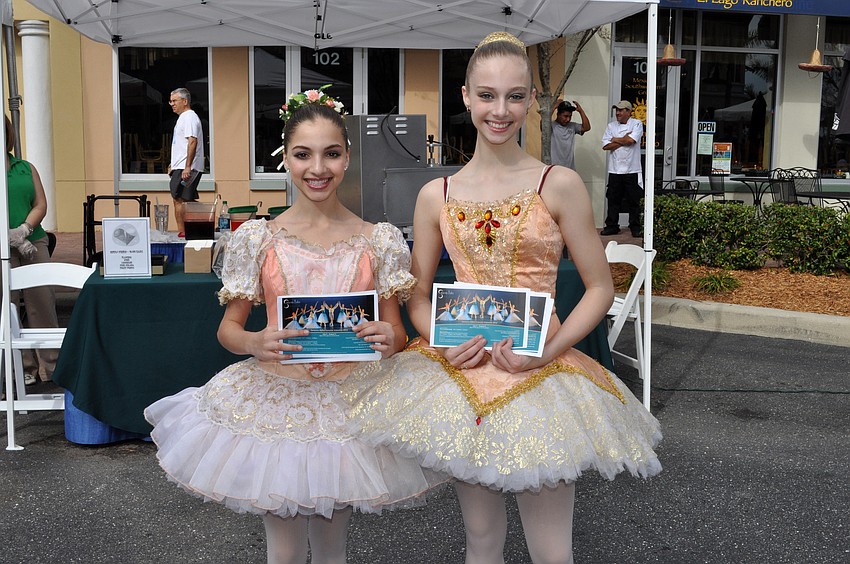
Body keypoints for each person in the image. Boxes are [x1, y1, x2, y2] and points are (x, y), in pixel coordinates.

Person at [342, 32, 661, 563]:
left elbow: (601, 287)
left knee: (551, 549)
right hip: (465, 379)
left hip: (543, 374)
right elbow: (416, 296)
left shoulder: (557, 184)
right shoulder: (435, 195)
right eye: (487, 95)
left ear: (532, 100)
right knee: (481, 541)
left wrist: (550, 350)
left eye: (515, 95)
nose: (500, 109)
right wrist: (440, 343)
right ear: (465, 96)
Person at [145, 99, 444, 564]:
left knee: (332, 548)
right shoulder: (259, 238)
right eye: (303, 154)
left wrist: (389, 339)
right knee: (282, 552)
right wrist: (253, 342)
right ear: (285, 158)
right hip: (279, 400)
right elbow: (230, 328)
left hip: (351, 403)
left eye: (331, 153)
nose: (317, 168)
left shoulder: (378, 239)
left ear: (347, 156)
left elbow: (398, 333)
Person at [4, 115, 59, 386]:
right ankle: (22, 366)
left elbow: (40, 203)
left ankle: (50, 366)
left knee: (42, 303)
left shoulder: (25, 167)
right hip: (1, 246)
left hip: (31, 241)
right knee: (8, 307)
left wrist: (24, 229)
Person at [601, 100, 644, 237]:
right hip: (614, 170)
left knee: (634, 200)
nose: (618, 113)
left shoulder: (637, 123)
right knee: (613, 199)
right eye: (617, 110)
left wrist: (615, 139)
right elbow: (605, 146)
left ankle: (635, 226)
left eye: (621, 110)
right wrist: (623, 139)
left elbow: (631, 141)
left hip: (632, 169)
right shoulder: (611, 126)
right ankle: (612, 225)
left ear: (629, 111)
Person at [167, 88, 204, 237]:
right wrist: (173, 165)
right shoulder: (183, 118)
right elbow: (181, 145)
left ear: (185, 101)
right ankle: (204, 220)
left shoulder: (189, 117)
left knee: (178, 198)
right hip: (181, 165)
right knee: (185, 199)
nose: (172, 104)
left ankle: (183, 232)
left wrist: (187, 166)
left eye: (175, 101)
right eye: (171, 101)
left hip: (187, 167)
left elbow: (192, 141)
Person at [551, 99, 590, 170]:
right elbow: (543, 124)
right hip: (554, 169)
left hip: (569, 169)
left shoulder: (572, 126)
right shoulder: (551, 126)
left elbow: (586, 127)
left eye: (570, 116)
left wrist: (581, 111)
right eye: (565, 116)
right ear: (558, 114)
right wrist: (554, 107)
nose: (568, 119)